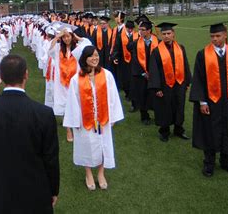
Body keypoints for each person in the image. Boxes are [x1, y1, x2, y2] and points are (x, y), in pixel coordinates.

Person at [0, 55, 60, 213]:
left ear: (2, 76)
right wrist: (53, 190)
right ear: (26, 74)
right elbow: (51, 158)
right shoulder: (43, 113)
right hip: (35, 190)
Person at [189, 22, 228, 177]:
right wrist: (202, 101)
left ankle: (226, 162)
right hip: (211, 101)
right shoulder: (202, 54)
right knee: (210, 131)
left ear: (225, 35)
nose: (214, 39)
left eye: (217, 36)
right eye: (212, 36)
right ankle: (209, 163)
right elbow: (198, 79)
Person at [63, 46, 124, 191]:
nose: (95, 58)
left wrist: (113, 116)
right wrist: (74, 122)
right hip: (85, 120)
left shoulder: (106, 75)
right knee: (86, 146)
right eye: (91, 56)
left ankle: (101, 173)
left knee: (103, 145)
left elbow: (113, 96)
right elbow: (72, 102)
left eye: (96, 55)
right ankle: (89, 173)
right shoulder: (76, 79)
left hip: (103, 119)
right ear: (84, 59)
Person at [148, 23, 192, 142]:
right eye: (164, 34)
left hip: (179, 84)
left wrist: (187, 82)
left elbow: (185, 65)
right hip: (164, 85)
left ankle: (179, 130)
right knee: (165, 108)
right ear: (161, 35)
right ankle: (164, 131)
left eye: (169, 33)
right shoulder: (156, 51)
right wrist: (157, 88)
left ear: (173, 34)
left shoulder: (180, 48)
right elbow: (153, 70)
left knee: (179, 106)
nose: (166, 36)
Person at [48, 24, 91, 142]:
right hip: (61, 82)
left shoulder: (78, 48)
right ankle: (68, 130)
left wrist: (77, 37)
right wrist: (57, 36)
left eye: (68, 37)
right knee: (65, 104)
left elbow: (88, 44)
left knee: (77, 102)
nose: (67, 39)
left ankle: (77, 123)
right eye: (64, 37)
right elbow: (49, 49)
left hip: (75, 80)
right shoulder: (57, 49)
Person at [129, 18, 159, 124]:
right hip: (141, 75)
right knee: (142, 95)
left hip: (155, 75)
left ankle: (158, 116)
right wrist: (143, 72)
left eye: (143, 30)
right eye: (139, 29)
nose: (140, 32)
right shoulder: (135, 43)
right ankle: (144, 117)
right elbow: (135, 60)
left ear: (149, 30)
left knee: (155, 96)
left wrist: (153, 73)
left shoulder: (158, 43)